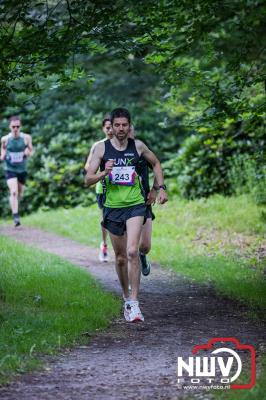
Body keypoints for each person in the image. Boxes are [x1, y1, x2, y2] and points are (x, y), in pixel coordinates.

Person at [85, 108, 167, 322]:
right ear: (110, 127)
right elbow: (88, 179)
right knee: (121, 258)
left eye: (125, 125)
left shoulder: (138, 146)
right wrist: (104, 172)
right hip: (112, 207)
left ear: (129, 126)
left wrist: (160, 188)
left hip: (135, 205)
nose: (121, 129)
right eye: (117, 125)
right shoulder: (101, 149)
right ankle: (125, 297)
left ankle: (134, 303)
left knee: (132, 251)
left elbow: (156, 163)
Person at [129, 125, 157, 276]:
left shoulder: (141, 149)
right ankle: (130, 284)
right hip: (123, 204)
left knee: (145, 245)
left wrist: (155, 190)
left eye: (129, 130)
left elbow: (157, 165)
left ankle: (142, 256)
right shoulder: (113, 151)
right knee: (129, 248)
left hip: (143, 202)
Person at [84, 115, 113, 262]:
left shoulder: (123, 144)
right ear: (103, 129)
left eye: (111, 127)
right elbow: (88, 166)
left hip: (121, 188)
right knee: (105, 219)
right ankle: (104, 245)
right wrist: (100, 167)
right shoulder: (98, 146)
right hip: (103, 188)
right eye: (107, 127)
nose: (110, 130)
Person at [0, 116, 33, 226]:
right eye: (13, 126)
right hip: (10, 169)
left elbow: (31, 150)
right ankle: (16, 217)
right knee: (13, 192)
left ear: (20, 126)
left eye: (17, 126)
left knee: (20, 193)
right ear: (10, 126)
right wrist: (2, 156)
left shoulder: (26, 138)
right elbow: (3, 150)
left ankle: (16, 209)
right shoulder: (5, 139)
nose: (15, 129)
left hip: (22, 169)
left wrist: (27, 152)